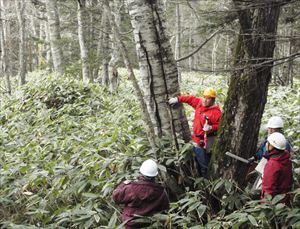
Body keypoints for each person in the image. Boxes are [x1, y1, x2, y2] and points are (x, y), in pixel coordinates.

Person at [168, 88, 222, 177]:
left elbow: (221, 125)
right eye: (204, 97)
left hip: (206, 141)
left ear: (213, 100)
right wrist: (177, 99)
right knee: (197, 162)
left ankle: (207, 181)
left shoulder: (216, 112)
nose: (205, 100)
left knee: (204, 164)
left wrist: (211, 127)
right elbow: (190, 99)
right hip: (195, 139)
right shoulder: (199, 104)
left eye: (208, 98)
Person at [112, 159, 170, 229]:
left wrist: (124, 184)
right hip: (151, 225)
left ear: (141, 172)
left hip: (131, 225)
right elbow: (165, 209)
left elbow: (116, 197)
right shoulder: (161, 191)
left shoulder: (132, 188)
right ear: (155, 175)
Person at [261, 132, 293, 205]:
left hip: (274, 204)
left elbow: (268, 189)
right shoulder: (286, 159)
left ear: (272, 146)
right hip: (284, 200)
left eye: (268, 143)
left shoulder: (273, 164)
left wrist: (265, 207)